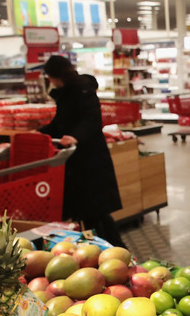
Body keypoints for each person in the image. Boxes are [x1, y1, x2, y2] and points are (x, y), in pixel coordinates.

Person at [38, 55, 125, 247]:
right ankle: (105, 251)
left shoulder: (82, 90)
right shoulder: (66, 92)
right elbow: (59, 123)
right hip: (76, 162)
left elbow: (92, 119)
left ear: (55, 76)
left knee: (95, 212)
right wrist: (38, 134)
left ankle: (114, 252)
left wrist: (75, 137)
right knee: (91, 213)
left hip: (90, 161)